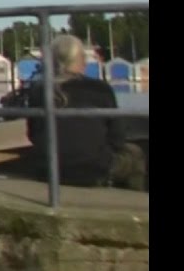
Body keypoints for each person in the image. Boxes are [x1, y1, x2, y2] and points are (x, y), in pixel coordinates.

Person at [21, 34, 145, 190]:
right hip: (94, 168)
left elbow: (33, 133)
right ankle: (135, 205)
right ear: (78, 60)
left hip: (49, 169)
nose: (86, 60)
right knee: (135, 153)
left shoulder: (39, 90)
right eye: (83, 56)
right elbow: (117, 138)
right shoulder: (100, 89)